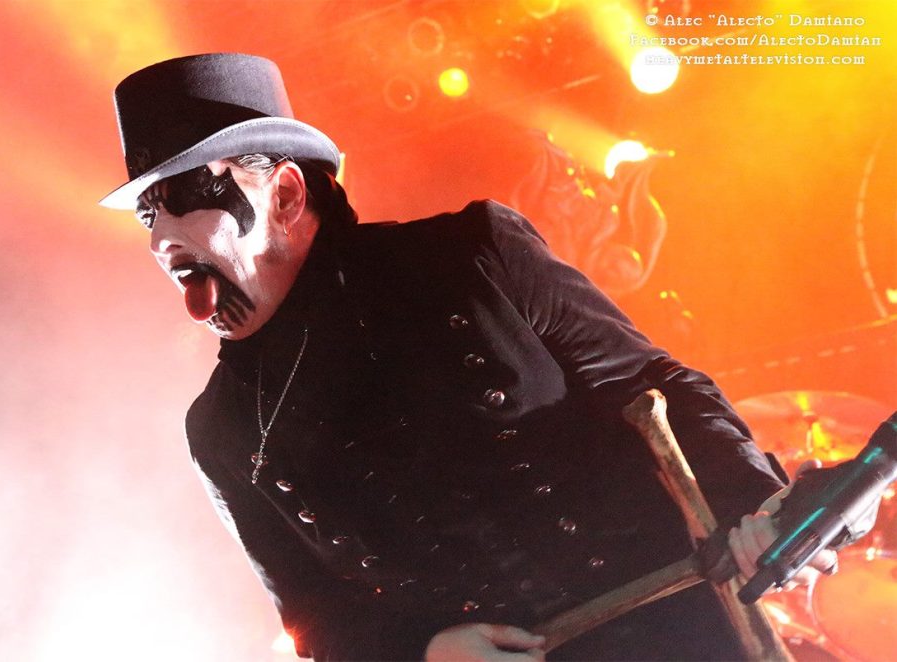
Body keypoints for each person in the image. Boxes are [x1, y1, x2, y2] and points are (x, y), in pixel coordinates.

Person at [101, 54, 834, 661]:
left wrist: (748, 500)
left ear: (287, 194)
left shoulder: (469, 258)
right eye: (147, 213)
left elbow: (654, 386)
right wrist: (426, 653)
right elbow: (314, 615)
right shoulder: (222, 431)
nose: (159, 238)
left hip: (679, 637)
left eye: (184, 195)